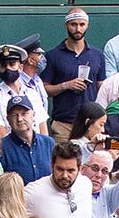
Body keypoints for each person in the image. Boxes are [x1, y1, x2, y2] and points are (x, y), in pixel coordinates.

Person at [42, 8, 108, 138]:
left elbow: (102, 87)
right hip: (63, 124)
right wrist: (66, 85)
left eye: (82, 24)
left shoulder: (97, 55)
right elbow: (44, 89)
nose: (78, 29)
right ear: (66, 25)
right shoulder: (52, 55)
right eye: (74, 24)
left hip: (90, 124)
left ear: (87, 25)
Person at [0, 95, 52, 183]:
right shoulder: (1, 147)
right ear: (8, 119)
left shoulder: (49, 143)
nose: (19, 119)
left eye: (24, 114)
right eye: (14, 115)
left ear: (33, 115)